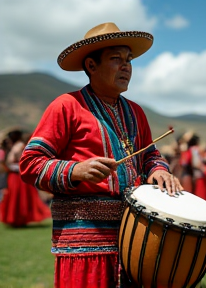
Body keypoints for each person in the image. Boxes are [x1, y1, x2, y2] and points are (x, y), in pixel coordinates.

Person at [19, 22, 183, 288]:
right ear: (91, 66)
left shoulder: (136, 112)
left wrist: (158, 169)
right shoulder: (66, 106)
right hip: (85, 243)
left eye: (128, 60)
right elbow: (30, 163)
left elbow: (150, 154)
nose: (126, 66)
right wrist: (75, 170)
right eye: (116, 59)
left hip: (135, 237)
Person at [0, 130, 51, 227]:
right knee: (18, 197)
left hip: (17, 175)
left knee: (19, 197)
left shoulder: (18, 146)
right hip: (16, 174)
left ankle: (19, 219)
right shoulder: (18, 146)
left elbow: (12, 160)